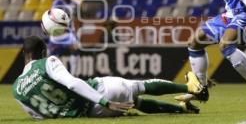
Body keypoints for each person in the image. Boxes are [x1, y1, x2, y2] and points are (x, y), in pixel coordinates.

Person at [12, 36, 202, 119]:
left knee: (137, 103)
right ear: (43, 51)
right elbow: (71, 83)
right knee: (139, 86)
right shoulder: (46, 62)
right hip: (101, 94)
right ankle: (191, 88)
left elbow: (41, 116)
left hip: (91, 115)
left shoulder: (16, 89)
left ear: (23, 54)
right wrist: (104, 100)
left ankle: (182, 110)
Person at [50, 0, 80, 75]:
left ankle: (73, 76)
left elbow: (76, 18)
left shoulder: (74, 4)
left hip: (69, 33)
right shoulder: (57, 3)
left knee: (75, 50)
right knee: (53, 56)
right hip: (58, 33)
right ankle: (52, 75)